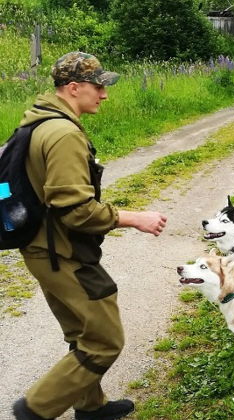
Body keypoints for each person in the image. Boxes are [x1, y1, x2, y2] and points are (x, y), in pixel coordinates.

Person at [12, 52, 168, 420]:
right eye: (99, 86)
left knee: (80, 331)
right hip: (61, 252)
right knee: (103, 340)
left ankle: (91, 405)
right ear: (73, 87)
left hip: (41, 247)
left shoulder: (39, 121)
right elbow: (75, 209)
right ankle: (34, 409)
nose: (104, 94)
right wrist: (133, 218)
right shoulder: (62, 133)